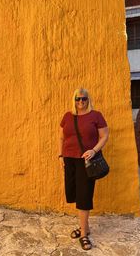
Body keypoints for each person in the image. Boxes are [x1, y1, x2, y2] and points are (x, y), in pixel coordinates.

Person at [59, 88, 109, 250]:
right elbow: (61, 137)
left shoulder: (96, 116)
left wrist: (93, 150)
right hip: (69, 159)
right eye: (77, 99)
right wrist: (61, 156)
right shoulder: (68, 116)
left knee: (84, 195)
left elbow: (104, 136)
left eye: (83, 99)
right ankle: (84, 227)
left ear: (88, 100)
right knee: (74, 193)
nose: (80, 102)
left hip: (86, 161)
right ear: (74, 100)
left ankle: (83, 234)